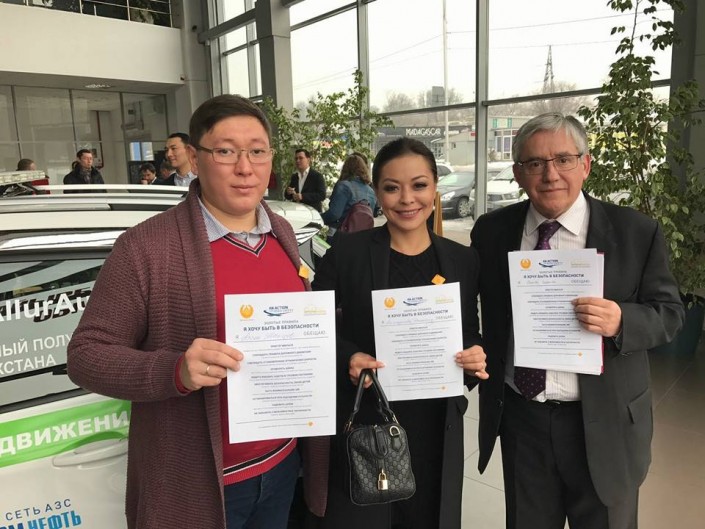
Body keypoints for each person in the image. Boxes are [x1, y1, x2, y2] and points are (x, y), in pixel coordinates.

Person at [67, 94, 328, 529]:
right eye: (225, 151)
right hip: (198, 484)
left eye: (257, 151)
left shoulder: (282, 232)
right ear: (194, 156)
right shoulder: (146, 248)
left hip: (281, 466)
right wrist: (176, 371)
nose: (245, 167)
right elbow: (86, 355)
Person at [470, 112, 685, 529]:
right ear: (518, 173)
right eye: (535, 163)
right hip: (523, 420)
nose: (550, 174)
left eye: (563, 160)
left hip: (606, 422)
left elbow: (671, 313)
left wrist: (622, 320)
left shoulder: (635, 231)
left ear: (585, 165)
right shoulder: (492, 231)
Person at [311, 137, 489, 529]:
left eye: (419, 185)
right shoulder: (349, 252)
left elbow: (469, 333)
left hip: (434, 424)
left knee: (427, 516)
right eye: (392, 188)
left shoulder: (461, 259)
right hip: (365, 420)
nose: (407, 199)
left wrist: (474, 356)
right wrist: (348, 357)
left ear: (435, 188)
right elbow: (313, 326)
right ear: (376, 192)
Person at [321, 153, 377, 243]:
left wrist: (319, 218)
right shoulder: (371, 191)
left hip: (340, 236)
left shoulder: (343, 186)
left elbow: (334, 214)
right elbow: (372, 214)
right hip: (363, 238)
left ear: (346, 168)